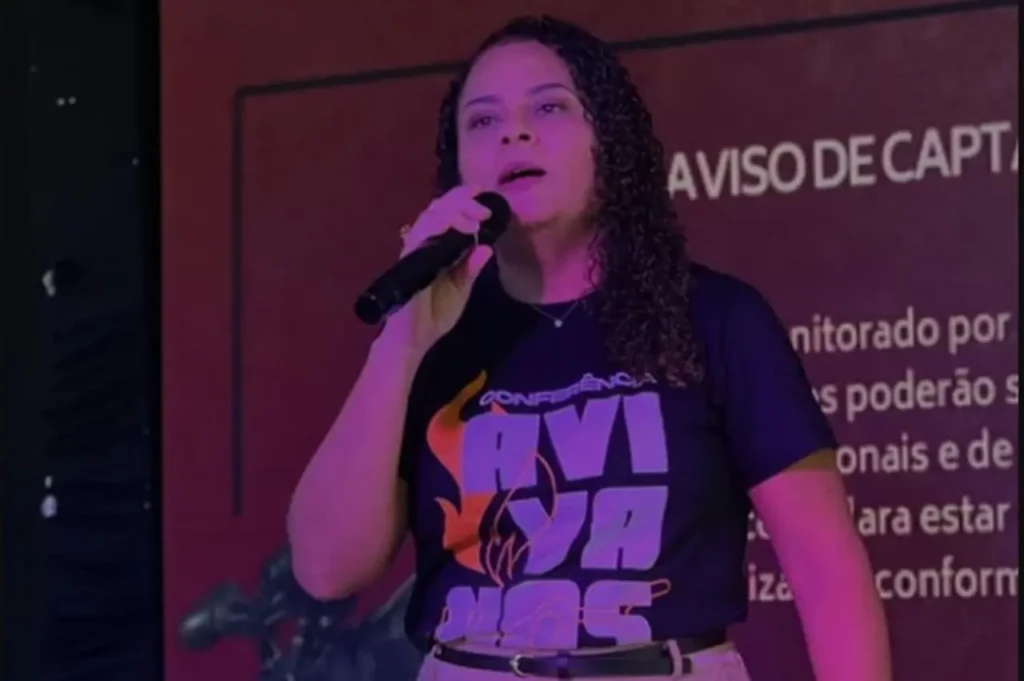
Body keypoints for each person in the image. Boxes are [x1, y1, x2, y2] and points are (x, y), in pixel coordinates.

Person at [288, 14, 891, 681]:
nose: (514, 131)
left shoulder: (717, 317)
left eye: (549, 107)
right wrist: (400, 344)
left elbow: (825, 570)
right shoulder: (432, 336)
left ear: (609, 141)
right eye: (482, 121)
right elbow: (324, 569)